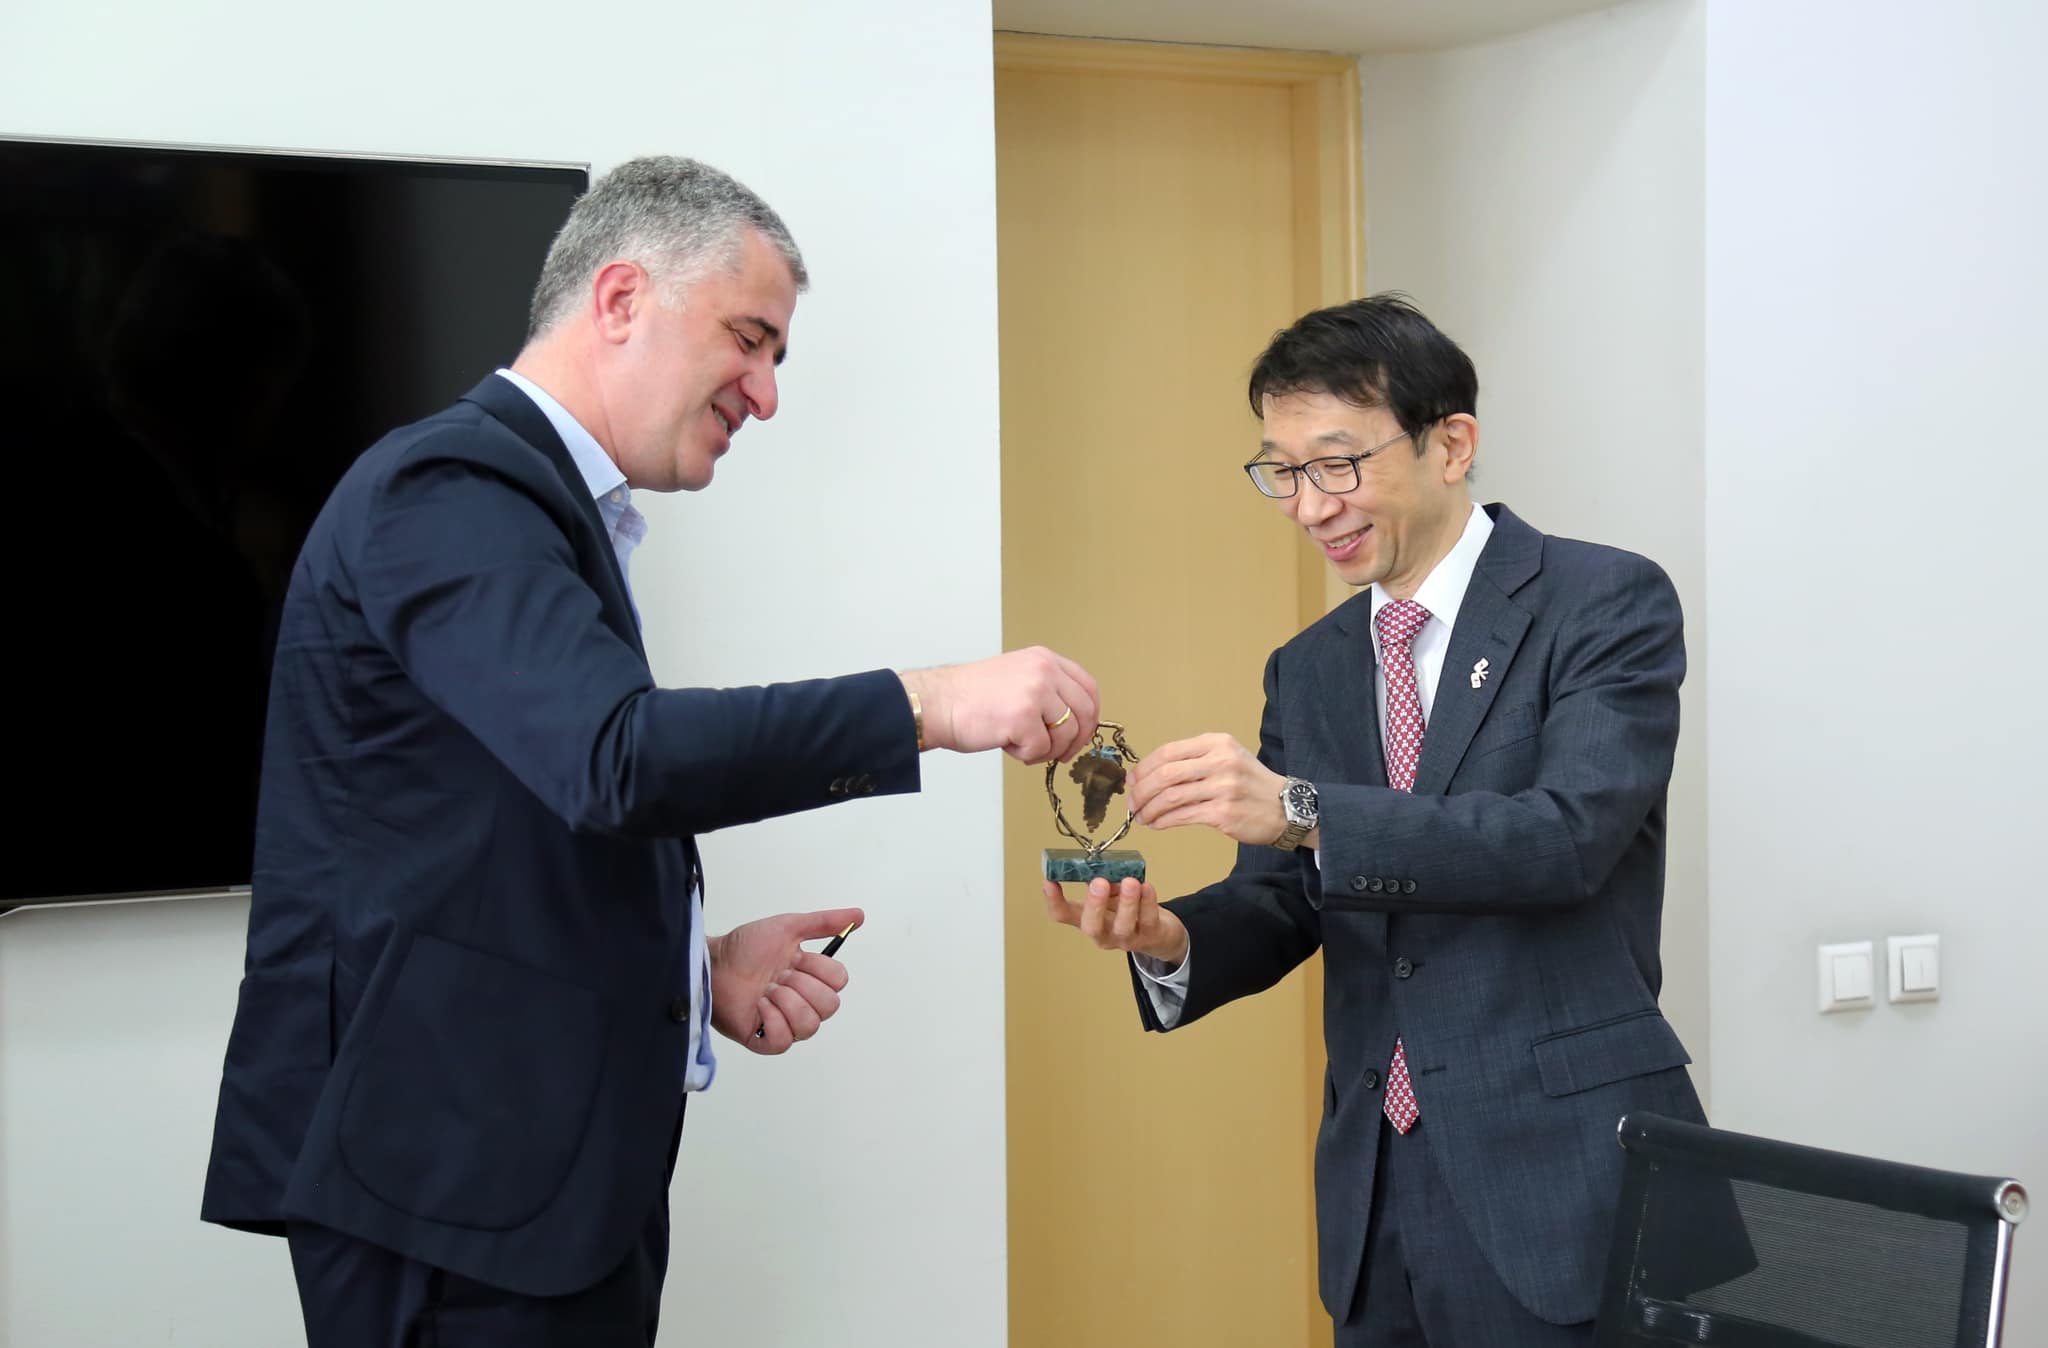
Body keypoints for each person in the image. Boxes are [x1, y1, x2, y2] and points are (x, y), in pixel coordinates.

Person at [201, 155, 1099, 1347]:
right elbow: (613, 755)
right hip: (452, 1187)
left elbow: (495, 838)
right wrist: (925, 703)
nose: (764, 395)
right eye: (748, 340)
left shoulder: (526, 502)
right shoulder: (449, 487)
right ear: (620, 298)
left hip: (506, 1183)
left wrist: (690, 965)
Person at [1042, 295, 1708, 1345]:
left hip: (1563, 1178)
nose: (1309, 506)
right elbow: (1285, 896)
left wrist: (1300, 808)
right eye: (1281, 471)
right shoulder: (1308, 668)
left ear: (1452, 444)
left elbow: (1563, 838)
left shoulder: (1602, 601)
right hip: (1376, 1192)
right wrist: (1169, 939)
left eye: (1337, 463)